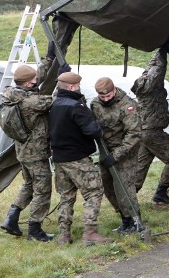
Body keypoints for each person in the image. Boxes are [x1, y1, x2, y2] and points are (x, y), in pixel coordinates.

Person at [49, 71, 112, 245]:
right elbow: (93, 131)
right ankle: (90, 232)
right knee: (94, 191)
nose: (79, 88)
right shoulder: (77, 106)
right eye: (77, 86)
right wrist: (97, 125)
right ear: (71, 87)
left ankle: (64, 235)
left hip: (59, 158)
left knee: (66, 196)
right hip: (77, 157)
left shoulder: (53, 104)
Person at [0, 65, 54, 242]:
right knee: (42, 189)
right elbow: (54, 100)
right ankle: (35, 230)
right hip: (36, 153)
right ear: (30, 83)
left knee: (29, 185)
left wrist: (48, 62)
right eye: (34, 79)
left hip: (22, 151)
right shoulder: (31, 102)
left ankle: (12, 218)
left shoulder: (11, 95)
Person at [90, 77, 143, 234]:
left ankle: (135, 220)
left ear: (114, 90)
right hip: (106, 151)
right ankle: (124, 219)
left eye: (108, 96)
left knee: (124, 187)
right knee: (107, 185)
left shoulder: (128, 105)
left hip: (126, 151)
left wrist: (117, 155)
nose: (106, 99)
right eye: (102, 97)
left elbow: (134, 134)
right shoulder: (95, 104)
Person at [131, 50, 169, 205]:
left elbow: (152, 68)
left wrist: (158, 53)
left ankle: (128, 198)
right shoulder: (152, 86)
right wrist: (164, 51)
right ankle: (161, 192)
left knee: (141, 167)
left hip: (144, 133)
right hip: (153, 132)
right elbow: (158, 69)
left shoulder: (142, 86)